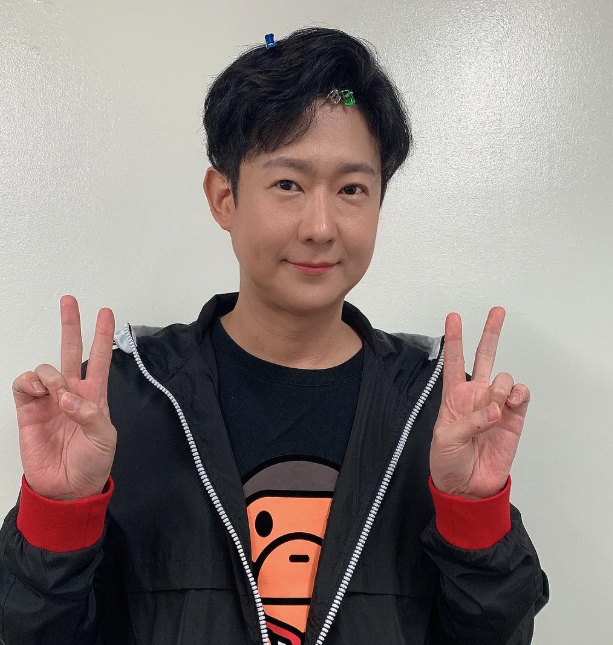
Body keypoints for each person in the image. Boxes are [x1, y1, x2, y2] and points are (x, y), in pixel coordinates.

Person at [0, 26, 548, 645]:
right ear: (224, 198)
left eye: (352, 189)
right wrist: (57, 514)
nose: (320, 226)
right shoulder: (125, 401)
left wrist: (474, 515)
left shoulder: (435, 409)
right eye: (288, 184)